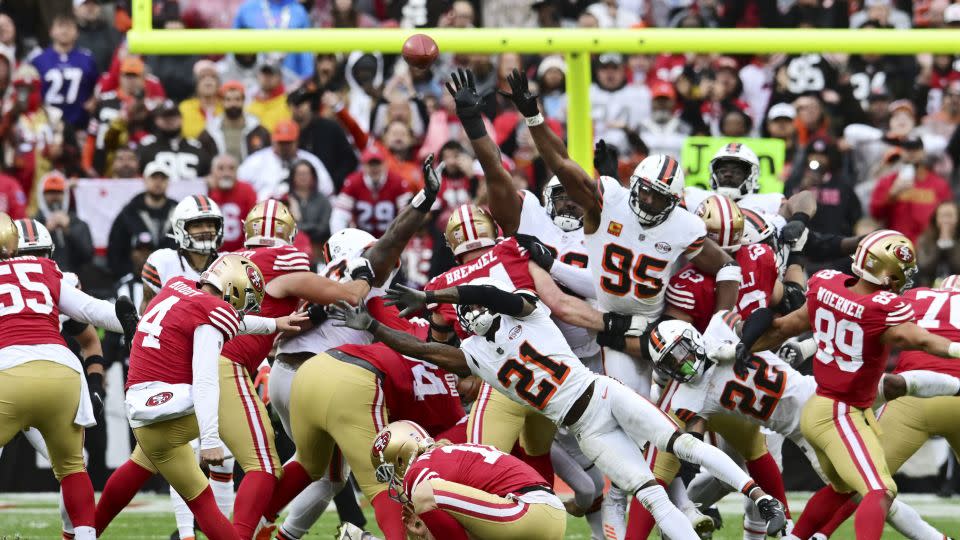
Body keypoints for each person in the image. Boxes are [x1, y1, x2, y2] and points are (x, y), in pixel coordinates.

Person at [331, 278, 788, 539]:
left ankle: (760, 496)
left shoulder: (523, 313)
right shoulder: (476, 353)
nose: (471, 312)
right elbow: (423, 348)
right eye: (465, 309)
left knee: (679, 443)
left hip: (601, 394)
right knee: (648, 490)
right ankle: (756, 496)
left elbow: (494, 301)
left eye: (472, 304)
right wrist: (373, 325)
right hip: (586, 424)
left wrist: (431, 299)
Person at [257, 157, 446, 540]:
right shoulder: (362, 271)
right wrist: (423, 200)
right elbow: (394, 238)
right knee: (374, 475)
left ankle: (258, 525)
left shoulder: (330, 276)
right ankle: (265, 527)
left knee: (320, 470)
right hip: (321, 375)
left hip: (288, 374)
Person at [736, 230, 960, 540]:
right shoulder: (882, 308)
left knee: (843, 488)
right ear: (887, 270)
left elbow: (784, 327)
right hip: (843, 412)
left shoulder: (827, 285)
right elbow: (918, 338)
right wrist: (954, 349)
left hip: (820, 405)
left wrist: (745, 343)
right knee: (880, 489)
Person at [93, 254, 305, 540]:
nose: (239, 312)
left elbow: (227, 320)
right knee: (233, 473)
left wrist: (272, 324)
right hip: (172, 412)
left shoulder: (178, 285)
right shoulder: (212, 314)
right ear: (234, 290)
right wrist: (210, 440)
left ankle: (83, 534)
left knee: (161, 472)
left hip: (141, 405)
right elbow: (205, 378)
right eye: (242, 302)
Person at [0, 211, 133, 540]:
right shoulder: (47, 272)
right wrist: (135, 321)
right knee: (74, 466)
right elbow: (94, 310)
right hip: (61, 373)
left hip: (7, 374)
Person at [372, 421, 565, 540]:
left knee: (423, 493)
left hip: (524, 509)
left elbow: (427, 498)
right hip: (546, 513)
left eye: (391, 473)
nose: (395, 483)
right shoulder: (451, 454)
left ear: (399, 459)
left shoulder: (419, 468)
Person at [140, 195, 224, 311]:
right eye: (197, 226)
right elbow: (146, 315)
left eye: (210, 225)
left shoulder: (227, 263)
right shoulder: (162, 262)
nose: (205, 230)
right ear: (181, 229)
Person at [869, 137, 952, 243]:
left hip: (928, 246)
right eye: (907, 149)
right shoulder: (888, 181)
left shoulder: (939, 184)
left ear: (923, 152)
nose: (912, 153)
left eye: (916, 149)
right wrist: (891, 195)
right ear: (901, 151)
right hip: (897, 245)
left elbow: (948, 214)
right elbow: (875, 214)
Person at [106, 161, 178, 279]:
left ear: (168, 182)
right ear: (144, 180)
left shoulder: (179, 212)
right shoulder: (129, 213)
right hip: (136, 279)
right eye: (154, 177)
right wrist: (126, 277)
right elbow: (115, 248)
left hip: (172, 280)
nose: (158, 182)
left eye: (163, 178)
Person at [30, 13, 98, 129]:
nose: (65, 31)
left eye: (69, 27)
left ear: (77, 33)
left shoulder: (87, 58)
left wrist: (94, 100)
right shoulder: (38, 59)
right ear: (51, 31)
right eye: (61, 26)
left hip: (80, 124)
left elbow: (98, 85)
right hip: (46, 124)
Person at [238, 119, 334, 200]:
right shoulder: (256, 161)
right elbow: (238, 187)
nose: (284, 147)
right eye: (281, 142)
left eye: (288, 142)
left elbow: (327, 189)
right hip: (263, 214)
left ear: (297, 141)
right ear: (273, 140)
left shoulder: (310, 161)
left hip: (302, 216)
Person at [330, 146, 413, 238]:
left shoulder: (398, 182)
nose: (374, 168)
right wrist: (340, 239)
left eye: (377, 164)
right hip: (361, 240)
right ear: (363, 166)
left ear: (385, 164)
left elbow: (407, 216)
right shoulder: (353, 182)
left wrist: (400, 239)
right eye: (370, 164)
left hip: (390, 240)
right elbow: (339, 216)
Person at [288, 86, 357, 190]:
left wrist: (334, 182)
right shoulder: (286, 132)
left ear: (310, 104)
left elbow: (349, 160)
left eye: (303, 102)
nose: (299, 107)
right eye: (296, 103)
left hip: (329, 190)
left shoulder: (330, 128)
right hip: (296, 190)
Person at [33, 172, 93, 274]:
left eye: (58, 192)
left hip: (75, 278)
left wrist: (69, 230)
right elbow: (28, 258)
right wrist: (45, 232)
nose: (55, 196)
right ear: (42, 195)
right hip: (45, 278)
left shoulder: (78, 223)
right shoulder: (33, 224)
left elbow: (87, 256)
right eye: (50, 192)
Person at [589, 53, 650, 153]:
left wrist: (626, 129)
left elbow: (644, 133)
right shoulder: (586, 93)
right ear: (597, 71)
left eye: (614, 68)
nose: (610, 73)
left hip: (626, 154)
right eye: (604, 68)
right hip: (590, 152)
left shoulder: (640, 93)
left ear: (623, 71)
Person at [197, 81, 271, 163]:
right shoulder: (209, 133)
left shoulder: (259, 131)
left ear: (243, 101)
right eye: (228, 100)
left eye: (237, 99)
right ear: (221, 102)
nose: (233, 104)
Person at [137, 100, 212, 180]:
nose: (169, 121)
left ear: (181, 119)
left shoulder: (196, 146)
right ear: (156, 120)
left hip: (191, 192)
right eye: (165, 117)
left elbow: (207, 174)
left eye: (173, 116)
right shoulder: (147, 145)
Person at [206, 154, 258, 253]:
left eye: (231, 168)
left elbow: (254, 225)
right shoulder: (204, 190)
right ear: (212, 171)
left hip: (240, 253)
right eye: (220, 168)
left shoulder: (247, 191)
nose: (226, 173)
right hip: (209, 255)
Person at [284, 159, 332, 251]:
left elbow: (324, 227)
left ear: (313, 176)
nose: (303, 177)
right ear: (292, 177)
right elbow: (287, 228)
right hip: (293, 249)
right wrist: (312, 227)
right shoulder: (286, 200)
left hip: (319, 247)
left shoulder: (323, 200)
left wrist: (301, 227)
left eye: (306, 174)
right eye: (299, 174)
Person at [916, 201, 960, 286]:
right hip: (929, 286)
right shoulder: (925, 239)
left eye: (950, 216)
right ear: (936, 218)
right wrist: (940, 244)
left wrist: (950, 243)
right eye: (943, 216)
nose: (946, 220)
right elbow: (924, 267)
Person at [178, 60, 222, 140]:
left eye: (213, 77)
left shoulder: (225, 107)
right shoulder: (185, 107)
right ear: (196, 83)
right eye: (202, 77)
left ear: (218, 83)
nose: (208, 80)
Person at [74, 0, 121, 74]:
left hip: (106, 82)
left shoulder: (112, 33)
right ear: (75, 9)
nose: (90, 8)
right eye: (86, 4)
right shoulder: (68, 34)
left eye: (95, 4)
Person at [247, 62, 292, 133]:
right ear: (258, 76)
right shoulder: (252, 105)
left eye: (271, 74)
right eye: (264, 74)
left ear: (280, 77)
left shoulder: (289, 103)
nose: (267, 78)